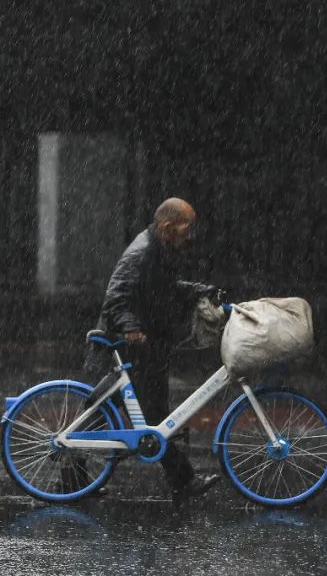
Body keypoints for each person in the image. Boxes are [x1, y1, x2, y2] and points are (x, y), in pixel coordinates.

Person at [87, 197, 220, 501]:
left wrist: (198, 290)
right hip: (125, 347)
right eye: (188, 227)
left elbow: (164, 287)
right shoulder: (143, 252)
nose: (192, 234)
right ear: (168, 227)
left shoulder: (161, 249)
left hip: (147, 348)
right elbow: (116, 295)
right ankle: (183, 482)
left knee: (148, 417)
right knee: (108, 413)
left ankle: (182, 483)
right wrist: (131, 328)